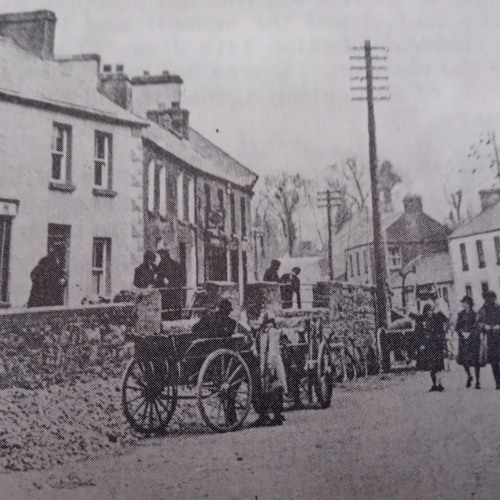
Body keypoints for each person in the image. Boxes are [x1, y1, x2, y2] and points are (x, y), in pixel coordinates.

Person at [250, 312, 287, 427]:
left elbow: (273, 350)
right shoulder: (260, 332)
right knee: (263, 390)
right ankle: (263, 416)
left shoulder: (272, 332)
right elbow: (255, 345)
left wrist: (270, 367)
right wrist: (254, 351)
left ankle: (277, 416)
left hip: (273, 364)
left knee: (275, 389)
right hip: (263, 363)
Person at [415, 303, 448, 392]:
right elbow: (419, 333)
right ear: (425, 312)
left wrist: (440, 309)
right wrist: (421, 344)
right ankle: (434, 384)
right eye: (428, 311)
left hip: (438, 344)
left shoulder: (437, 317)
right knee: (431, 366)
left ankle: (440, 384)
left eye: (431, 310)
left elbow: (445, 320)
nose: (430, 312)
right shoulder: (422, 320)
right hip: (428, 345)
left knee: (439, 365)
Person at [456, 296, 485, 389]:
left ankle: (477, 381)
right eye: (463, 303)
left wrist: (470, 334)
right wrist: (462, 333)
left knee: (476, 361)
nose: (463, 304)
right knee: (464, 360)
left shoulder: (475, 314)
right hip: (463, 341)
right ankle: (469, 376)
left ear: (469, 303)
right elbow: (457, 327)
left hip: (474, 340)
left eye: (465, 303)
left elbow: (478, 327)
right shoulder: (460, 314)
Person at [477, 290, 500, 389]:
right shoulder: (482, 310)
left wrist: (498, 326)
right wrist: (484, 326)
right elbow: (478, 323)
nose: (489, 300)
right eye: (486, 298)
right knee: (494, 361)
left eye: (491, 298)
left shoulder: (498, 308)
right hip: (490, 338)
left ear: (494, 298)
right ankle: (498, 382)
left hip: (499, 334)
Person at [156, 249, 184, 320]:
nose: (161, 257)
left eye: (161, 255)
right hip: (175, 289)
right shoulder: (175, 263)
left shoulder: (163, 264)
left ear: (163, 255)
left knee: (168, 306)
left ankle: (169, 319)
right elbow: (181, 277)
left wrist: (160, 285)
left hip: (169, 290)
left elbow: (159, 277)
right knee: (175, 306)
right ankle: (176, 319)